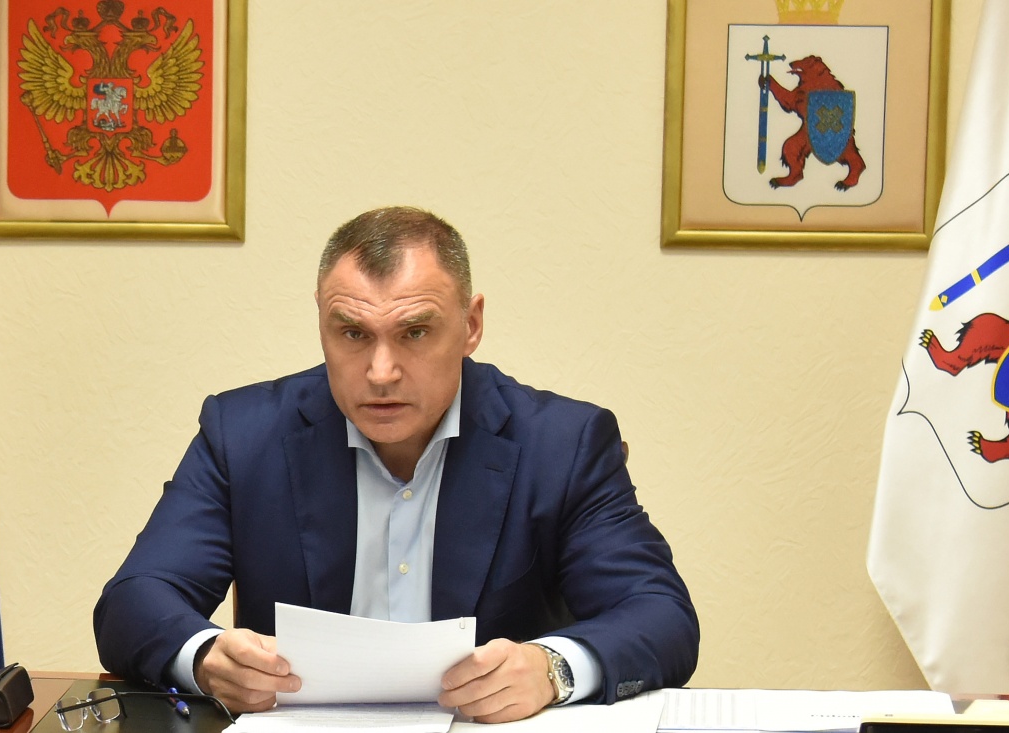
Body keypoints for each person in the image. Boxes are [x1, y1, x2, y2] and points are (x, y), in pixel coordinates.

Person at [94, 206, 698, 723]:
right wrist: (205, 657)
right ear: (322, 321)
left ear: (471, 325)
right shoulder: (244, 434)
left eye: (415, 333)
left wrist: (553, 669)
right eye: (353, 334)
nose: (381, 373)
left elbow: (660, 614)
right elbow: (135, 599)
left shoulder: (561, 444)